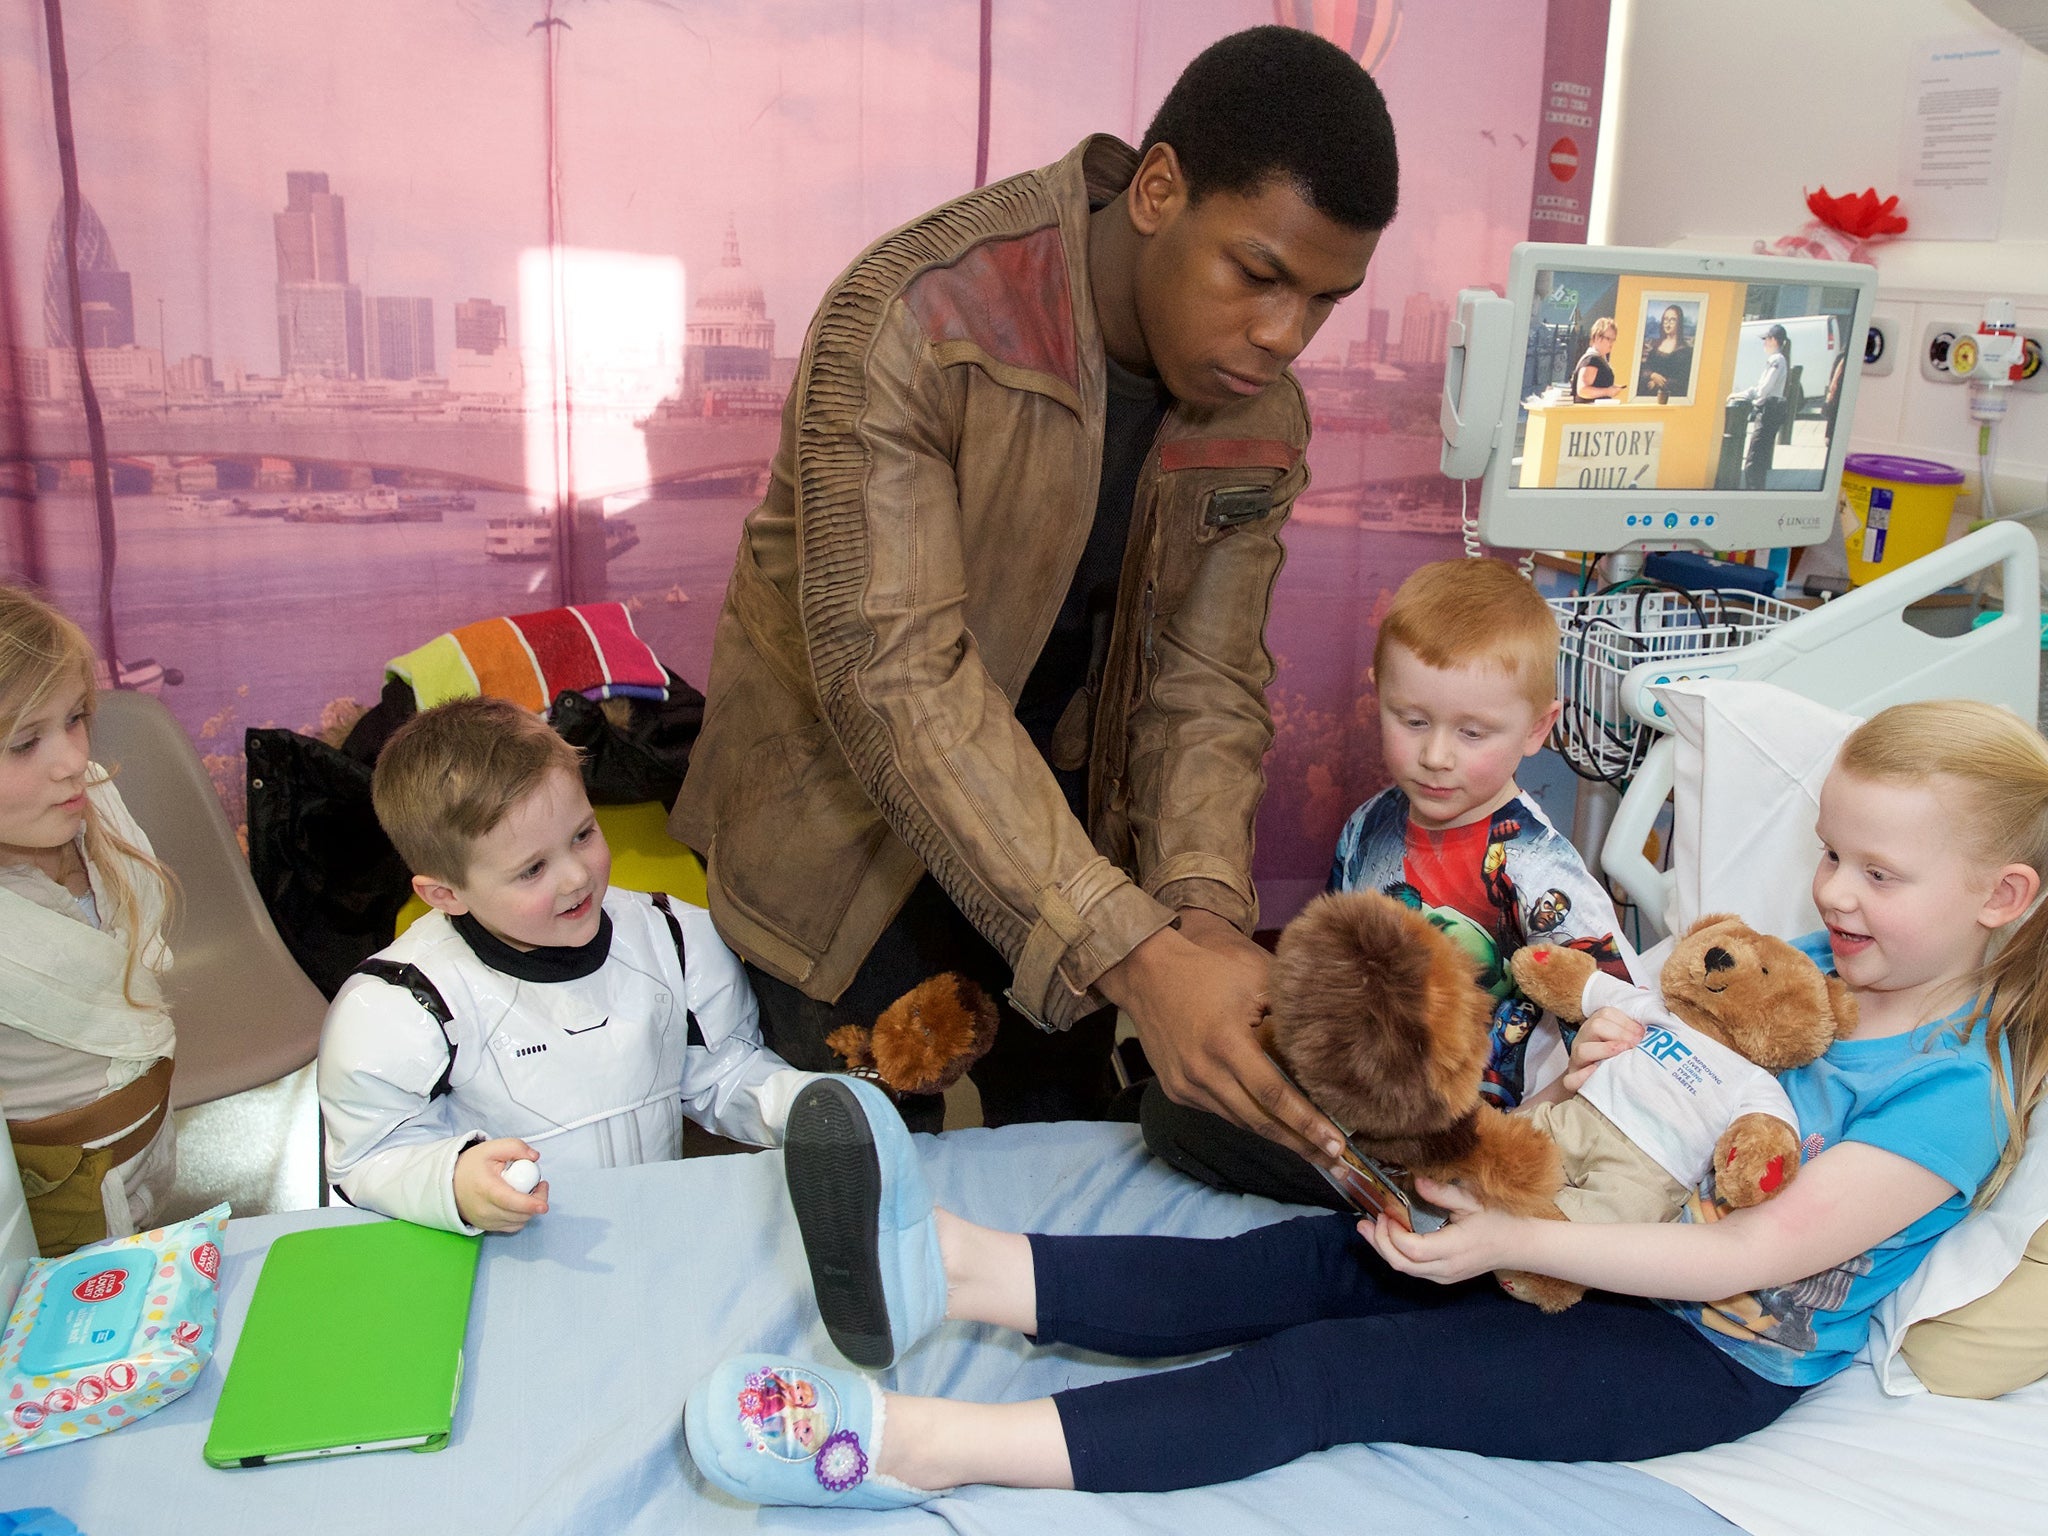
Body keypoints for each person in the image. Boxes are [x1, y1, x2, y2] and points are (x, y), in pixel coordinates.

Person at [684, 698, 2042, 1504]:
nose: (1833, 897)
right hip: (1579, 1230)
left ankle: (918, 1446)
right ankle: (954, 1270)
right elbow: (1673, 1065)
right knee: (1321, 1256)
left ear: (2002, 899)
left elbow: (1752, 1251)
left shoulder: (1950, 1092)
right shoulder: (1803, 975)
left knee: (1334, 1370)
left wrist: (1508, 1240)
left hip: (1692, 1355)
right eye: (1831, 858)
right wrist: (1592, 1067)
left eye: (1878, 875)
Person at [670, 26, 1397, 1152]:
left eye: (1323, 301)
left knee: (1053, 1208)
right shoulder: (915, 317)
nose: (1280, 335)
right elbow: (898, 682)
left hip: (1062, 861)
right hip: (840, 857)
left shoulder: (1260, 414)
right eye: (1256, 275)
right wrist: (1137, 953)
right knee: (845, 1233)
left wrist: (1199, 921)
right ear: (1157, 189)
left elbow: (1203, 686)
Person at [1140, 559, 1627, 1208]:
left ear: (1538, 727)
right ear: (1379, 692)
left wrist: (1574, 1076)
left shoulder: (1540, 875)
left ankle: (1411, 1200)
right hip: (1362, 1094)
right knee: (1178, 1090)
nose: (1435, 757)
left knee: (1171, 1121)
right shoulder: (1369, 826)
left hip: (1470, 1135)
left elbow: (1616, 1032)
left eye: (1472, 733)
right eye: (1413, 720)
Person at [318, 698, 810, 1234]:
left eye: (583, 834)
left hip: (656, 1228)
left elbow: (722, 1072)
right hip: (507, 1255)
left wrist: (801, 1104)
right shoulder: (399, 1005)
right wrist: (454, 1183)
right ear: (445, 894)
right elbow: (369, 1156)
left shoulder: (672, 937)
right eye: (532, 869)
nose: (577, 877)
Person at [0, 586, 177, 1257]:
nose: (72, 759)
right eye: (24, 743)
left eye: (75, 718)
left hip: (147, 1138)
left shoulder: (91, 804)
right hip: (54, 1202)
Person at [1734, 322, 1791, 490]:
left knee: (1754, 458)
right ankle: (1756, 489)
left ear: (1773, 340)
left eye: (1766, 339)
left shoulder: (1776, 360)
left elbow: (1765, 387)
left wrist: (1756, 403)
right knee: (1760, 456)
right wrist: (1741, 394)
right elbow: (1760, 387)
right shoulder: (1779, 359)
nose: (1764, 343)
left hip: (1768, 411)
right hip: (1773, 410)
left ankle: (1753, 491)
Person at [1637, 303, 1695, 401]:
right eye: (1665, 319)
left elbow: (1682, 380)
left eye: (1672, 320)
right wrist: (1652, 375)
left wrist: (1658, 383)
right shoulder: (1655, 345)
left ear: (1679, 323)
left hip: (1669, 397)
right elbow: (1645, 368)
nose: (1668, 323)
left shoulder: (1685, 351)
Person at [1571, 316, 1621, 401]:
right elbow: (1583, 390)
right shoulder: (1592, 360)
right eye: (1608, 339)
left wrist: (1611, 388)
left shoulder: (1599, 359)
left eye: (1613, 340)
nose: (1611, 343)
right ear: (1597, 337)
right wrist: (1608, 391)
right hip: (1588, 412)